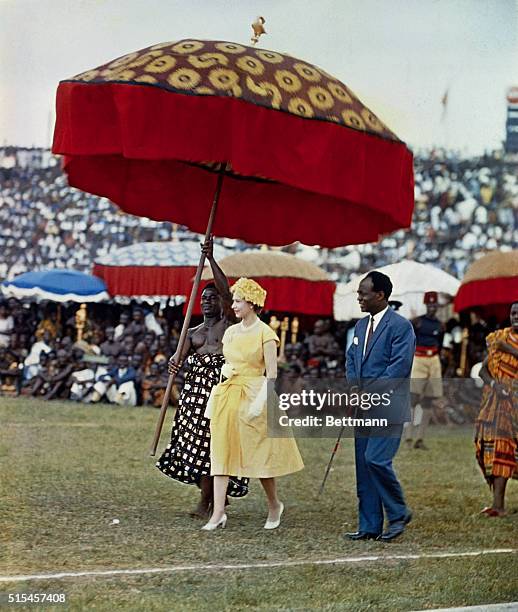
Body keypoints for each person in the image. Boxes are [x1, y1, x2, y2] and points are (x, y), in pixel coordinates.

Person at [201, 277, 304, 531]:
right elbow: (229, 359)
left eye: (238, 301)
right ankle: (218, 513)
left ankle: (274, 504)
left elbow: (271, 373)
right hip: (229, 393)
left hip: (256, 394)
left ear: (251, 303)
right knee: (221, 450)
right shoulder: (231, 332)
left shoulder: (265, 334)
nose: (233, 306)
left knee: (259, 455)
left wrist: (261, 401)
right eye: (234, 301)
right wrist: (226, 368)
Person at [156, 238, 249, 518]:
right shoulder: (192, 331)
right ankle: (212, 495)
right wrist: (174, 364)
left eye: (213, 298)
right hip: (193, 398)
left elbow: (225, 289)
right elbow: (177, 359)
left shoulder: (228, 325)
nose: (208, 302)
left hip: (220, 394)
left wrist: (210, 259)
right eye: (203, 299)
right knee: (192, 446)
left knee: (213, 447)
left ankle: (206, 502)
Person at [345, 271, 415, 541]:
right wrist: (353, 388)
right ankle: (369, 526)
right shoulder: (361, 326)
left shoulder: (400, 327)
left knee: (376, 459)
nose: (359, 298)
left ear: (380, 295)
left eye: (363, 293)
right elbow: (352, 359)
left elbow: (398, 368)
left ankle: (398, 513)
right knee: (364, 466)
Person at [475, 301, 518, 517]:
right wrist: (495, 385)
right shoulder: (498, 338)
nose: (516, 316)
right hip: (497, 404)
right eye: (513, 313)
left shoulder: (503, 343)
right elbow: (483, 370)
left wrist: (509, 349)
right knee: (493, 448)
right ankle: (497, 505)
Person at [404, 291, 444, 450]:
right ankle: (408, 437)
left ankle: (419, 439)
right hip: (418, 359)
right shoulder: (417, 322)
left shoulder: (440, 325)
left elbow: (439, 344)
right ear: (426, 305)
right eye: (430, 304)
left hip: (433, 359)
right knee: (412, 399)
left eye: (435, 305)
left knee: (429, 400)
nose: (432, 307)